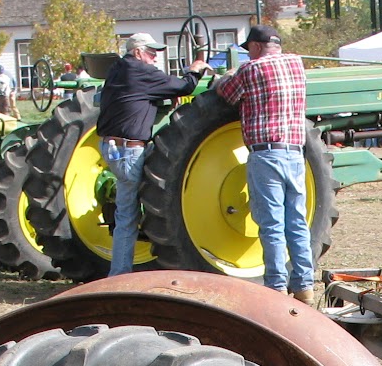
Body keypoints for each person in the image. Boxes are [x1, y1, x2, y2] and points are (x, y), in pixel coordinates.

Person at [215, 25, 315, 303]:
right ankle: (305, 286)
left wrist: (224, 76)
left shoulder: (251, 70)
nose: (248, 56)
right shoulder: (297, 65)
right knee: (296, 222)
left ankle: (276, 286)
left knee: (271, 224)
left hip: (266, 154)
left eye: (248, 51)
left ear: (256, 47)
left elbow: (226, 92)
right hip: (295, 154)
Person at [96, 33, 207, 276]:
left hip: (110, 148)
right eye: (151, 52)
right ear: (137, 52)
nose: (155, 58)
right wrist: (195, 69)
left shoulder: (119, 69)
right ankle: (119, 277)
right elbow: (184, 85)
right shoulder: (140, 71)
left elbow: (137, 98)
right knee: (129, 215)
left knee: (125, 211)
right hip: (128, 151)